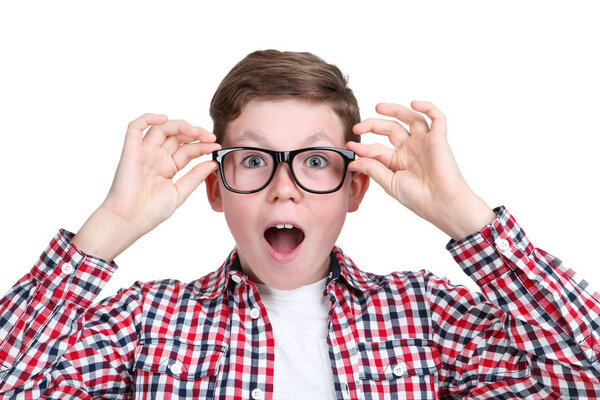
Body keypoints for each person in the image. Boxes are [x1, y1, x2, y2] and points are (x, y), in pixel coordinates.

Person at [0, 49, 598, 399]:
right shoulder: (140, 325)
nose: (283, 186)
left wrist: (463, 215)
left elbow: (585, 375)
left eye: (315, 161)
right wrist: (111, 227)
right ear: (217, 189)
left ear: (354, 188)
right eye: (254, 160)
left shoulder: (430, 317)